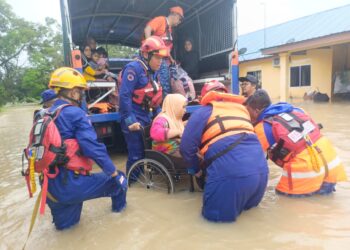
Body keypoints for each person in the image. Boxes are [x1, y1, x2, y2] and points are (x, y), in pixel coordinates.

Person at [44, 67, 127, 230]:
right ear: (73, 92)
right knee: (119, 182)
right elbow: (93, 148)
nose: (82, 95)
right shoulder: (76, 113)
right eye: (81, 92)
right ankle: (121, 222)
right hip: (71, 184)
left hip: (49, 187)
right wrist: (113, 172)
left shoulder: (44, 114)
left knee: (67, 231)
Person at [180, 80, 269, 222]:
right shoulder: (242, 111)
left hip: (231, 175)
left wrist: (195, 169)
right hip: (261, 175)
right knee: (250, 221)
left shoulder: (203, 111)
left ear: (204, 97)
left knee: (214, 226)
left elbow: (186, 147)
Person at [245, 89, 347, 196]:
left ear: (256, 111)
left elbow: (249, 161)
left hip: (305, 170)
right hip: (331, 162)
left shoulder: (262, 128)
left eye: (248, 111)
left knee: (284, 202)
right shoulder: (298, 110)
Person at [119, 36, 169, 173]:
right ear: (146, 54)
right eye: (157, 58)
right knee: (136, 153)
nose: (160, 62)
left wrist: (160, 116)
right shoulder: (133, 69)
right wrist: (130, 121)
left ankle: (141, 177)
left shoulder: (153, 71)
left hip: (146, 113)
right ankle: (132, 182)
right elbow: (124, 96)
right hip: (133, 114)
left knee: (147, 149)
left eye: (162, 58)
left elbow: (154, 95)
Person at [144, 6, 184, 97]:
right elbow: (147, 29)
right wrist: (150, 48)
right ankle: (164, 103)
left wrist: (171, 59)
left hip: (163, 58)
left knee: (167, 82)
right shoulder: (161, 20)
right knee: (164, 84)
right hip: (154, 56)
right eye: (180, 19)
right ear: (175, 15)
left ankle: (165, 101)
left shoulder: (169, 30)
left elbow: (165, 48)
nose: (179, 22)